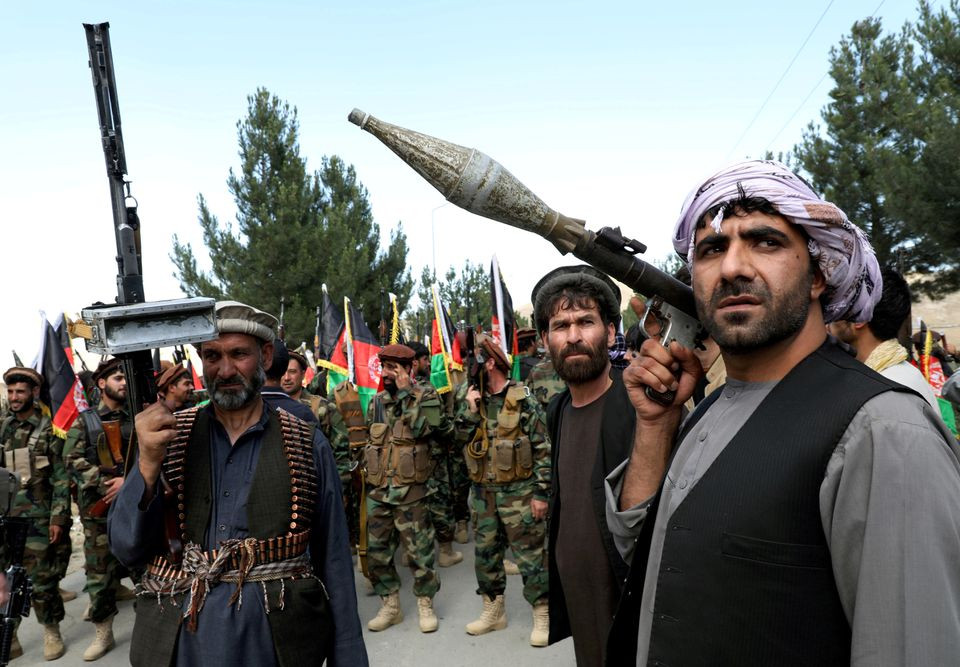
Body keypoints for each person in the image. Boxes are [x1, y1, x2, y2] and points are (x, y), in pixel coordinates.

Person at [605, 160, 960, 665]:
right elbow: (647, 557)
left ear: (818, 274)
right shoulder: (705, 408)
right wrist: (656, 425)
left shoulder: (883, 432)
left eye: (766, 241)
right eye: (711, 249)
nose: (732, 268)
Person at [108, 300, 367, 666]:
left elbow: (335, 562)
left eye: (238, 354)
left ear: (263, 356)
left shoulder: (306, 442)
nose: (225, 370)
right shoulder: (166, 438)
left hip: (275, 644)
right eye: (212, 356)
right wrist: (148, 464)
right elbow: (125, 549)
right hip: (180, 646)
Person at [530, 266, 632, 667]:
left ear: (609, 332)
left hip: (627, 600)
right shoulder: (558, 410)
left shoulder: (638, 404)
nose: (573, 336)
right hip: (579, 598)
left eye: (586, 322)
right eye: (560, 325)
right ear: (545, 339)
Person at [453, 334, 551, 647]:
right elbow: (456, 441)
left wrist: (541, 493)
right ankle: (494, 610)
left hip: (519, 492)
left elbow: (543, 448)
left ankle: (542, 611)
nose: (470, 367)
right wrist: (470, 410)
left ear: (491, 362)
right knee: (485, 555)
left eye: (475, 361)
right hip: (483, 494)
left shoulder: (522, 397)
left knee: (531, 555)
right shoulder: (471, 399)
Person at [363, 344, 455, 633]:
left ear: (409, 369)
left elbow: (427, 431)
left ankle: (425, 603)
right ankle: (390, 604)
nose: (388, 374)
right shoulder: (376, 402)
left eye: (394, 368)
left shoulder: (425, 395)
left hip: (411, 490)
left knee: (420, 552)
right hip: (379, 490)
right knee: (377, 554)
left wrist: (405, 395)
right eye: (385, 367)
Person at [62, 357, 133, 661]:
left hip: (135, 507)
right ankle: (103, 631)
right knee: (99, 576)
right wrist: (105, 485)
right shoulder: (86, 421)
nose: (124, 383)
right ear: (102, 383)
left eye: (125, 377)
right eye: (117, 378)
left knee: (147, 567)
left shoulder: (137, 417)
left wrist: (127, 483)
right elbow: (71, 460)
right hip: (98, 512)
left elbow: (152, 457)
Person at [1, 367, 70, 660]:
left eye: (20, 392)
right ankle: (10, 635)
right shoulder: (2, 428)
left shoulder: (49, 430)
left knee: (42, 581)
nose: (14, 397)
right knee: (6, 581)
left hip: (38, 519)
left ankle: (51, 630)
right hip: (5, 518)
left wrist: (58, 518)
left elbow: (61, 477)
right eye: (11, 391)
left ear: (33, 393)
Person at [828, 267, 938, 410]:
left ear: (859, 318)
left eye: (838, 306)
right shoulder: (900, 376)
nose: (830, 316)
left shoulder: (887, 391)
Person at [259, 339, 316, 423]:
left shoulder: (316, 407)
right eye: (284, 372)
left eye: (292, 372)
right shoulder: (250, 407)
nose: (286, 378)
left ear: (303, 374)